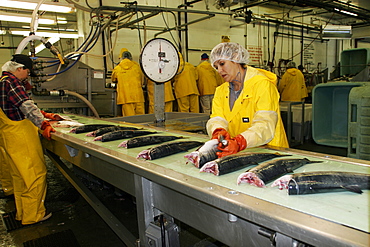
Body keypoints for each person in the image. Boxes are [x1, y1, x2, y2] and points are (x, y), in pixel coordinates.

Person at [0, 54, 62, 224]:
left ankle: (24, 214)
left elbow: (18, 106)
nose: (27, 75)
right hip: (21, 138)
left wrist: (43, 114)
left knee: (20, 178)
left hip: (10, 137)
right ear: (19, 68)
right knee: (34, 175)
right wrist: (44, 124)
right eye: (27, 71)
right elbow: (25, 106)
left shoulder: (2, 81)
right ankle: (34, 216)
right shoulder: (11, 82)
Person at [206, 42, 289, 158]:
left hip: (270, 152)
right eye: (216, 67)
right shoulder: (221, 90)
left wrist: (239, 142)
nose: (219, 70)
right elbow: (217, 117)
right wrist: (218, 130)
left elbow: (265, 124)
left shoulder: (262, 85)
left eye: (222, 64)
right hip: (237, 153)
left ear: (236, 57)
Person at [112, 48, 145, 116]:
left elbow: (113, 79)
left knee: (129, 121)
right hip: (138, 97)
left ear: (121, 58)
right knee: (141, 119)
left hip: (126, 98)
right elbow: (142, 81)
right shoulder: (137, 67)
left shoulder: (117, 68)